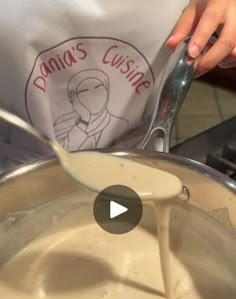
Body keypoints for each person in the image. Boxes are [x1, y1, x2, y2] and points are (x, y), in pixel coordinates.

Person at [0, 0, 236, 172]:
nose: (92, 96)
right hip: (16, 178)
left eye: (96, 88)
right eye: (84, 90)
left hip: (138, 164)